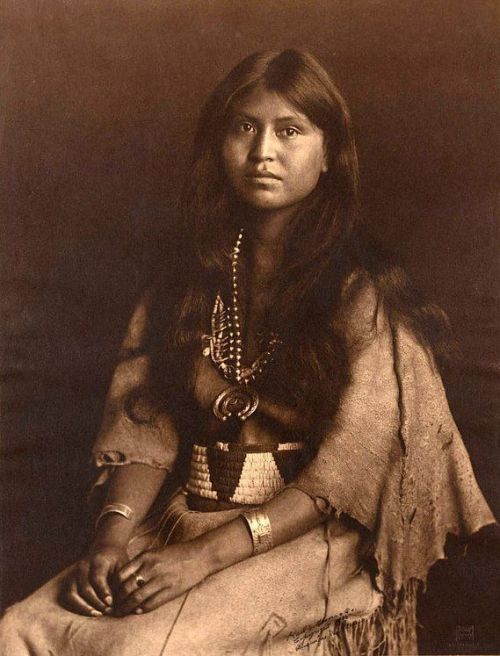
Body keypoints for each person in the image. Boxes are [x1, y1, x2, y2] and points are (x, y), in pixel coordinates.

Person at [0, 49, 496, 656]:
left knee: (136, 651)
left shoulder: (359, 293)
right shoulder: (187, 283)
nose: (263, 151)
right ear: (219, 145)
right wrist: (110, 539)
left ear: (329, 155)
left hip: (306, 540)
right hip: (189, 516)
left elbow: (348, 473)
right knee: (19, 629)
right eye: (244, 127)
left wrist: (202, 558)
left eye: (290, 130)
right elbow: (145, 431)